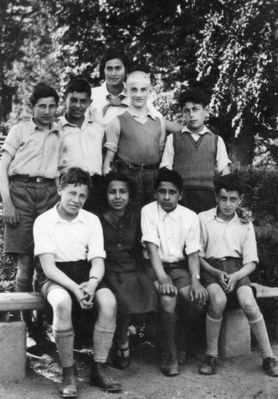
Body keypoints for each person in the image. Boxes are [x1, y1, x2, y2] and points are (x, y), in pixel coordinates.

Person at [33, 168, 121, 397]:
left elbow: (98, 260)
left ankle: (98, 368)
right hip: (55, 275)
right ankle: (68, 373)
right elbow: (48, 267)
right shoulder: (44, 221)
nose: (76, 200)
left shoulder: (90, 220)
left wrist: (91, 285)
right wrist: (74, 288)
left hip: (85, 273)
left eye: (82, 196)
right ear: (59, 190)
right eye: (72, 193)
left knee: (109, 301)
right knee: (62, 302)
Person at [198, 174, 278, 377]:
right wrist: (216, 272)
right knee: (217, 300)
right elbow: (196, 255)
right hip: (211, 267)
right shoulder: (203, 219)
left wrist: (235, 276)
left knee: (249, 302)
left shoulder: (245, 223)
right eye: (223, 198)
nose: (227, 204)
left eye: (233, 199)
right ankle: (211, 355)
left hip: (237, 269)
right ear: (216, 197)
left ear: (240, 200)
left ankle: (268, 357)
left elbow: (251, 261)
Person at [0, 82, 61, 342]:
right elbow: (2, 167)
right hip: (21, 193)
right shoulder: (20, 130)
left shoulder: (60, 132)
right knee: (24, 263)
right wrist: (8, 203)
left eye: (51, 106)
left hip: (49, 194)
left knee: (46, 262)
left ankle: (42, 322)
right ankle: (26, 325)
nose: (47, 111)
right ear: (32, 107)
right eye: (41, 106)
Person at [141, 168, 208, 376]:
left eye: (172, 192)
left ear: (181, 194)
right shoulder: (148, 211)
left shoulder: (189, 217)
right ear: (155, 193)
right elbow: (151, 249)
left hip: (180, 268)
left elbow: (193, 253)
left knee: (197, 299)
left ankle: (180, 340)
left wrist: (196, 281)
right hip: (154, 267)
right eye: (162, 192)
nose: (167, 197)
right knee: (168, 300)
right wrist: (162, 278)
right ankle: (169, 353)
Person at [98, 172, 158, 369]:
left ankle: (125, 337)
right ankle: (120, 342)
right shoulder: (97, 217)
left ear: (129, 194)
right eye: (112, 192)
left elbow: (141, 247)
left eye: (122, 192)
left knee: (143, 287)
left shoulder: (136, 215)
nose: (117, 197)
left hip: (130, 266)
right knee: (119, 295)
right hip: (106, 268)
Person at [160, 86, 231, 213]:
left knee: (203, 231)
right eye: (186, 111)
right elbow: (166, 170)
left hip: (207, 197)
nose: (191, 115)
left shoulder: (216, 140)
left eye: (195, 109)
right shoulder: (174, 138)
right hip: (181, 197)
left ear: (206, 110)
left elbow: (225, 172)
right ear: (182, 113)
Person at [103, 70, 167, 208]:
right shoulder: (117, 121)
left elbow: (162, 155)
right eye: (134, 90)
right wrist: (109, 183)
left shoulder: (159, 122)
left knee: (152, 215)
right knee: (131, 216)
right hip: (128, 176)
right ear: (126, 91)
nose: (138, 94)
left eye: (143, 90)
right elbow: (109, 158)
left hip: (153, 177)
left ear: (150, 91)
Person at [58, 77, 105, 212]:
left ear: (90, 102)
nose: (78, 106)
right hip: (69, 187)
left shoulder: (98, 128)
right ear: (65, 99)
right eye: (73, 100)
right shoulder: (57, 128)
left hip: (95, 187)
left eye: (83, 101)